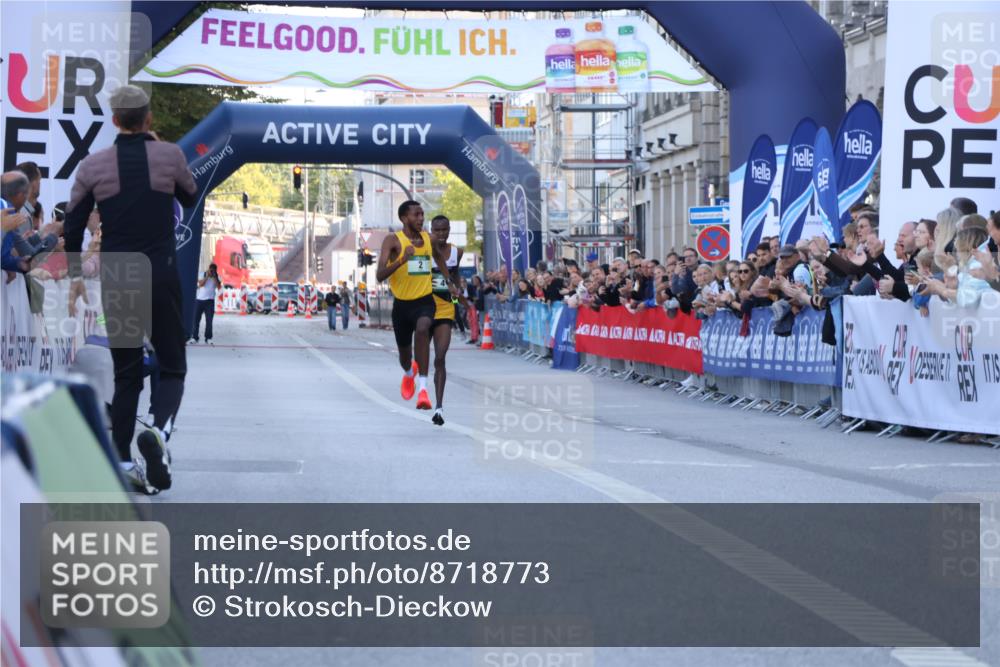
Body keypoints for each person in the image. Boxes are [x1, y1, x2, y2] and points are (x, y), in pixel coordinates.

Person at [63, 85, 198, 495]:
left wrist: (74, 276)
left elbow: (73, 223)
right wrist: (160, 151)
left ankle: (121, 460)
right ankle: (158, 430)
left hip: (119, 273)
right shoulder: (170, 155)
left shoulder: (92, 166)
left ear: (115, 120)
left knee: (126, 376)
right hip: (160, 270)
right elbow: (190, 197)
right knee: (172, 365)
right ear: (149, 118)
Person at [375, 200, 457, 412]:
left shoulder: (428, 239)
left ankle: (423, 389)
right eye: (416, 215)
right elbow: (379, 275)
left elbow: (439, 259)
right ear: (404, 218)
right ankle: (409, 372)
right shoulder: (392, 241)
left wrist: (449, 282)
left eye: (422, 214)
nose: (421, 219)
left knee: (422, 328)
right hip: (402, 306)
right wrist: (402, 259)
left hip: (424, 301)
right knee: (404, 357)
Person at [428, 215, 465, 426]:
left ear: (449, 230)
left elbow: (455, 275)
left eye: (445, 230)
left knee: (440, 358)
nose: (441, 234)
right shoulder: (423, 249)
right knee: (422, 357)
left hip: (444, 309)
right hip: (423, 307)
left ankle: (439, 407)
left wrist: (456, 291)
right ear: (431, 229)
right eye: (437, 230)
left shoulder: (457, 252)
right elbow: (414, 277)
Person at [191, 263, 221, 344]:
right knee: (196, 320)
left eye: (213, 270)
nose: (212, 271)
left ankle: (208, 338)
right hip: (199, 300)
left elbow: (218, 286)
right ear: (208, 269)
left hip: (210, 301)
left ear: (215, 270)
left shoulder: (217, 276)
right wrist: (207, 276)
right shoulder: (203, 274)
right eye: (211, 270)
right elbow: (200, 284)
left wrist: (214, 276)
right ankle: (195, 337)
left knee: (209, 321)